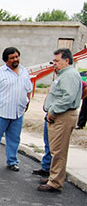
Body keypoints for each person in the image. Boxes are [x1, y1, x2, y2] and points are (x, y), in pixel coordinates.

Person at [37, 49, 83, 192]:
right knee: (54, 149)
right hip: (58, 116)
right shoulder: (63, 75)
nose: (54, 64)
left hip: (63, 116)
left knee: (59, 151)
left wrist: (53, 109)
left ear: (67, 61)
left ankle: (55, 182)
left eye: (57, 61)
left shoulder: (69, 75)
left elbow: (68, 98)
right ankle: (53, 176)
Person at [0, 47, 32, 172]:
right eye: (12, 58)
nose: (15, 59)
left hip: (18, 113)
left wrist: (27, 103)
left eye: (17, 56)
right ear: (6, 60)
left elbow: (28, 90)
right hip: (0, 113)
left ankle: (12, 161)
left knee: (14, 139)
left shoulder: (24, 72)